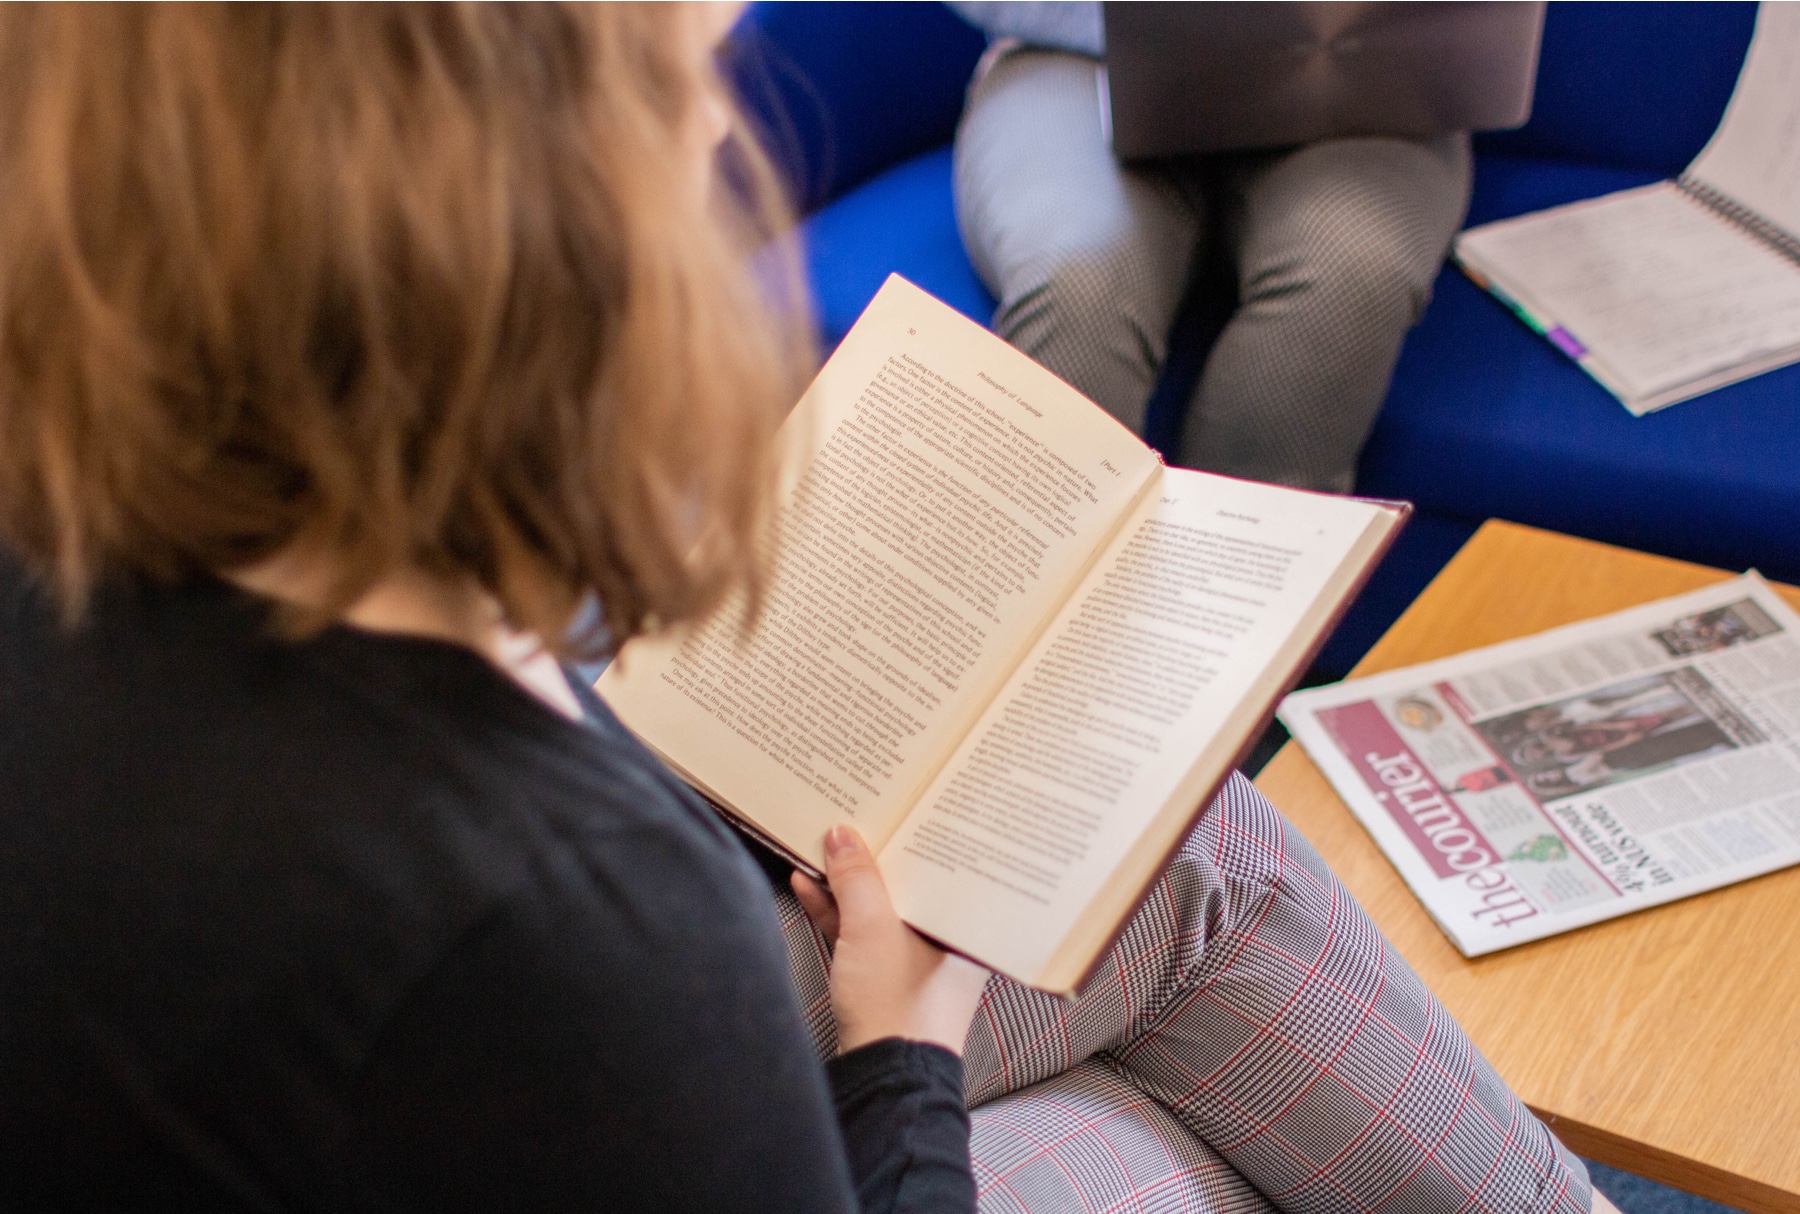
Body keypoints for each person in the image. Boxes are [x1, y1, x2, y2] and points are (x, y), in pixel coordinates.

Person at [0, 5, 1614, 1213]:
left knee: (1139, 1128)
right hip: (564, 1047)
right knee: (1189, 891)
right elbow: (558, 952)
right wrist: (894, 1053)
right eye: (676, 82)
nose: (716, 130)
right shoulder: (582, 908)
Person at [949, 2, 1474, 492]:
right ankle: (1056, 583)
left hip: (1366, 74)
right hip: (1077, 60)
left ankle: (1239, 580)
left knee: (1349, 273)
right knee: (1080, 293)